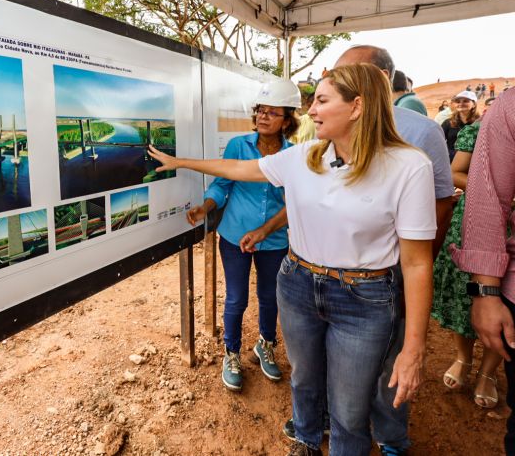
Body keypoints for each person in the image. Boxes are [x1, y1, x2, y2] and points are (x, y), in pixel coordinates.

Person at [149, 63, 436, 456]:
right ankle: (305, 441)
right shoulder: (305, 157)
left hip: (364, 299)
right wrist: (181, 162)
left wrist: (414, 349)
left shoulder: (408, 167)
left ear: (357, 106)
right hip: (298, 284)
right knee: (303, 379)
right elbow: (238, 168)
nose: (312, 110)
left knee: (350, 408)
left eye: (320, 100)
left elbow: (417, 263)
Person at [288, 45, 454, 456]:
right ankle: (323, 424)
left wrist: (414, 263)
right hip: (329, 273)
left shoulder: (421, 134)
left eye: (345, 76)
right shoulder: (326, 132)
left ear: (376, 82)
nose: (332, 87)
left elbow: (442, 201)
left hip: (389, 272)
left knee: (389, 362)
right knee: (332, 365)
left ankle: (390, 438)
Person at [187, 80, 300, 391]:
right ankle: (232, 352)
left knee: (269, 298)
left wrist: (267, 229)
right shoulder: (239, 146)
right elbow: (222, 184)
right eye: (260, 111)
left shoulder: (294, 155)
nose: (262, 116)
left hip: (275, 241)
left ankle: (265, 345)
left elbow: (293, 202)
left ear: (287, 120)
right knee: (236, 299)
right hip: (235, 237)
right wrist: (206, 207)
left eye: (271, 112)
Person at [450, 87, 515, 454]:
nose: (461, 105)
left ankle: (486, 375)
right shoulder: (505, 112)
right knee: (471, 304)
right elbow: (482, 188)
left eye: (466, 101)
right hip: (481, 231)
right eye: (456, 101)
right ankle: (463, 361)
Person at [431, 120, 502, 408]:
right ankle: (463, 358)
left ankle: (488, 373)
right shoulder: (481, 129)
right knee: (465, 295)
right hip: (475, 223)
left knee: (508, 301)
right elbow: (455, 173)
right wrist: (497, 190)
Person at [442, 90, 480, 162]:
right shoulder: (448, 123)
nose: (461, 104)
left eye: (465, 101)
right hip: (451, 162)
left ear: (474, 104)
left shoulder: (480, 123)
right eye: (458, 102)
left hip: (473, 163)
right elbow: (439, 141)